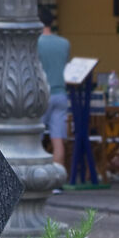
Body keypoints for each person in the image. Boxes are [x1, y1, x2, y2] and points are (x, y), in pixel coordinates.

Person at [38, 15, 71, 170]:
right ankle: (57, 180)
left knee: (34, 141)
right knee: (58, 140)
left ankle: (37, 176)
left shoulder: (34, 43)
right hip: (60, 94)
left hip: (40, 95)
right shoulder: (64, 43)